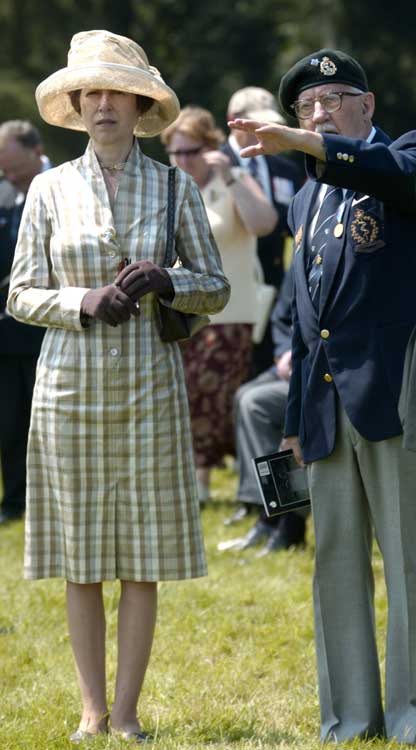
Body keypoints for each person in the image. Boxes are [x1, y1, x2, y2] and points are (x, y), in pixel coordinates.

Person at [7, 30, 230, 744]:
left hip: (147, 388)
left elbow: (216, 289)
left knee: (143, 557)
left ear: (140, 106)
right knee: (80, 559)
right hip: (68, 387)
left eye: (116, 93)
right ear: (77, 105)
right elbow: (18, 295)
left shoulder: (174, 186)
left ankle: (128, 714)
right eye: (91, 92)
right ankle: (90, 712)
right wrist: (81, 302)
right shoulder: (48, 186)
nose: (103, 104)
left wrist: (170, 279)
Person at [229, 48, 416, 743]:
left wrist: (307, 143)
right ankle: (350, 717)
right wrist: (294, 424)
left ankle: (410, 714)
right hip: (329, 409)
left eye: (335, 97)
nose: (319, 111)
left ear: (367, 106)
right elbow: (312, 323)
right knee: (336, 565)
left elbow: (394, 174)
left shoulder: (400, 157)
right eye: (307, 104)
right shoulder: (306, 199)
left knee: (408, 562)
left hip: (395, 397)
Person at [161, 106, 278, 502]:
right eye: (175, 153)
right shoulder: (170, 188)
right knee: (187, 395)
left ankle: (203, 484)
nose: (183, 161)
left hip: (231, 311)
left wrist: (229, 173)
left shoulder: (233, 179)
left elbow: (264, 224)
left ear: (209, 148)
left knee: (214, 396)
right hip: (182, 312)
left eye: (191, 152)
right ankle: (199, 483)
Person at [223, 87, 303, 376]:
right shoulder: (212, 164)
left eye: (267, 121)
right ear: (233, 120)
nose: (262, 129)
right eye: (254, 121)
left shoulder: (286, 168)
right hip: (229, 298)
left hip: (277, 294)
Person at [231, 266, 307, 555]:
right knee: (242, 396)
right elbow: (283, 315)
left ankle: (287, 521)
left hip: (321, 369)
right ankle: (267, 510)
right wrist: (284, 352)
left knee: (255, 404)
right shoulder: (305, 237)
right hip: (292, 362)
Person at [0, 121, 50, 524]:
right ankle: (15, 500)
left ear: (36, 152)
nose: (10, 177)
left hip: (50, 329)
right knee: (9, 421)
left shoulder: (60, 187)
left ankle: (49, 503)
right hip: (6, 332)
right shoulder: (4, 192)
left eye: (15, 168)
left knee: (46, 423)